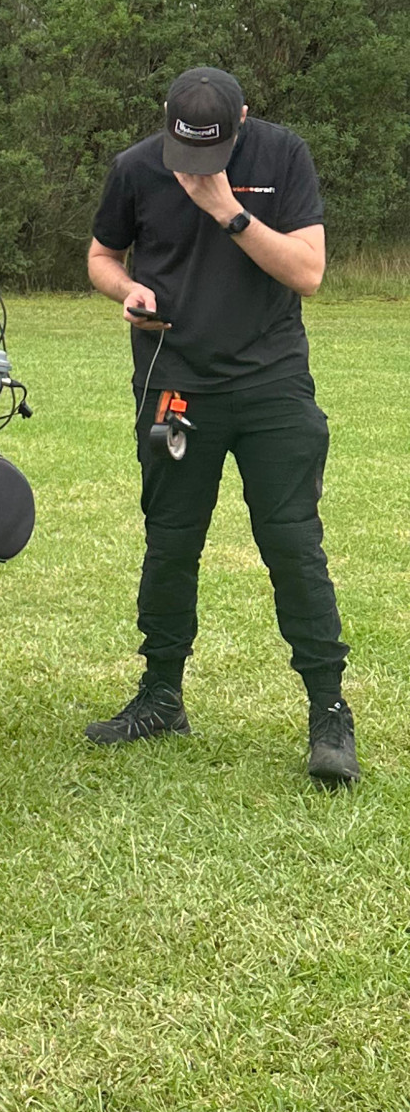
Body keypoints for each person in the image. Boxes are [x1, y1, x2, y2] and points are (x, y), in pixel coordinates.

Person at [84, 66, 355, 783]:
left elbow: (308, 272)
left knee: (293, 544)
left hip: (271, 383)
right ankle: (160, 697)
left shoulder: (283, 154)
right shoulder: (136, 167)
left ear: (242, 118)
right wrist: (127, 288)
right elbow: (102, 256)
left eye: (213, 148)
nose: (196, 166)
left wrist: (228, 210)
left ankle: (329, 712)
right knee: (170, 542)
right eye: (186, 150)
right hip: (175, 382)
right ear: (166, 120)